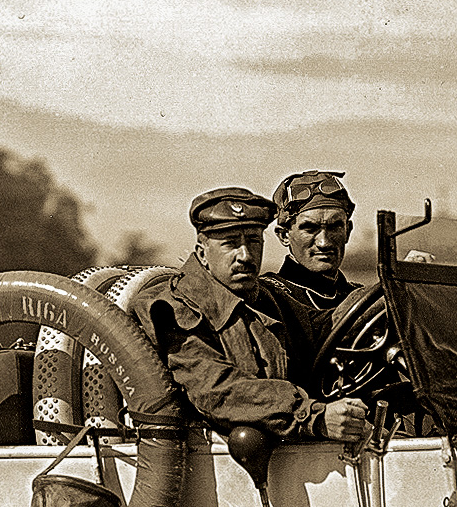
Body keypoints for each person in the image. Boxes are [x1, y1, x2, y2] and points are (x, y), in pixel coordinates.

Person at [139, 187, 368, 444]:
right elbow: (218, 390)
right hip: (212, 460)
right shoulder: (175, 308)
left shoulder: (263, 297)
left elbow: (322, 327)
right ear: (202, 254)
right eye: (231, 244)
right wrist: (314, 416)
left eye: (253, 241)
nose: (245, 256)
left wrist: (395, 295)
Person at [260, 169, 356, 312]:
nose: (324, 242)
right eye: (309, 228)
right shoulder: (266, 299)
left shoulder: (360, 297)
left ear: (347, 231)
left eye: (335, 227)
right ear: (284, 235)